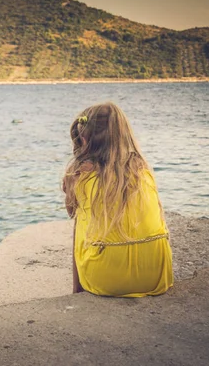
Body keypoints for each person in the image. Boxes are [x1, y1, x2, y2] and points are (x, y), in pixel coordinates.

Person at [62, 102, 173, 297]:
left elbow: (71, 213)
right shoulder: (141, 167)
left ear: (85, 136)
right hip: (156, 275)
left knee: (81, 217)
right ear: (123, 133)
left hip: (106, 280)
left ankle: (77, 289)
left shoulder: (80, 173)